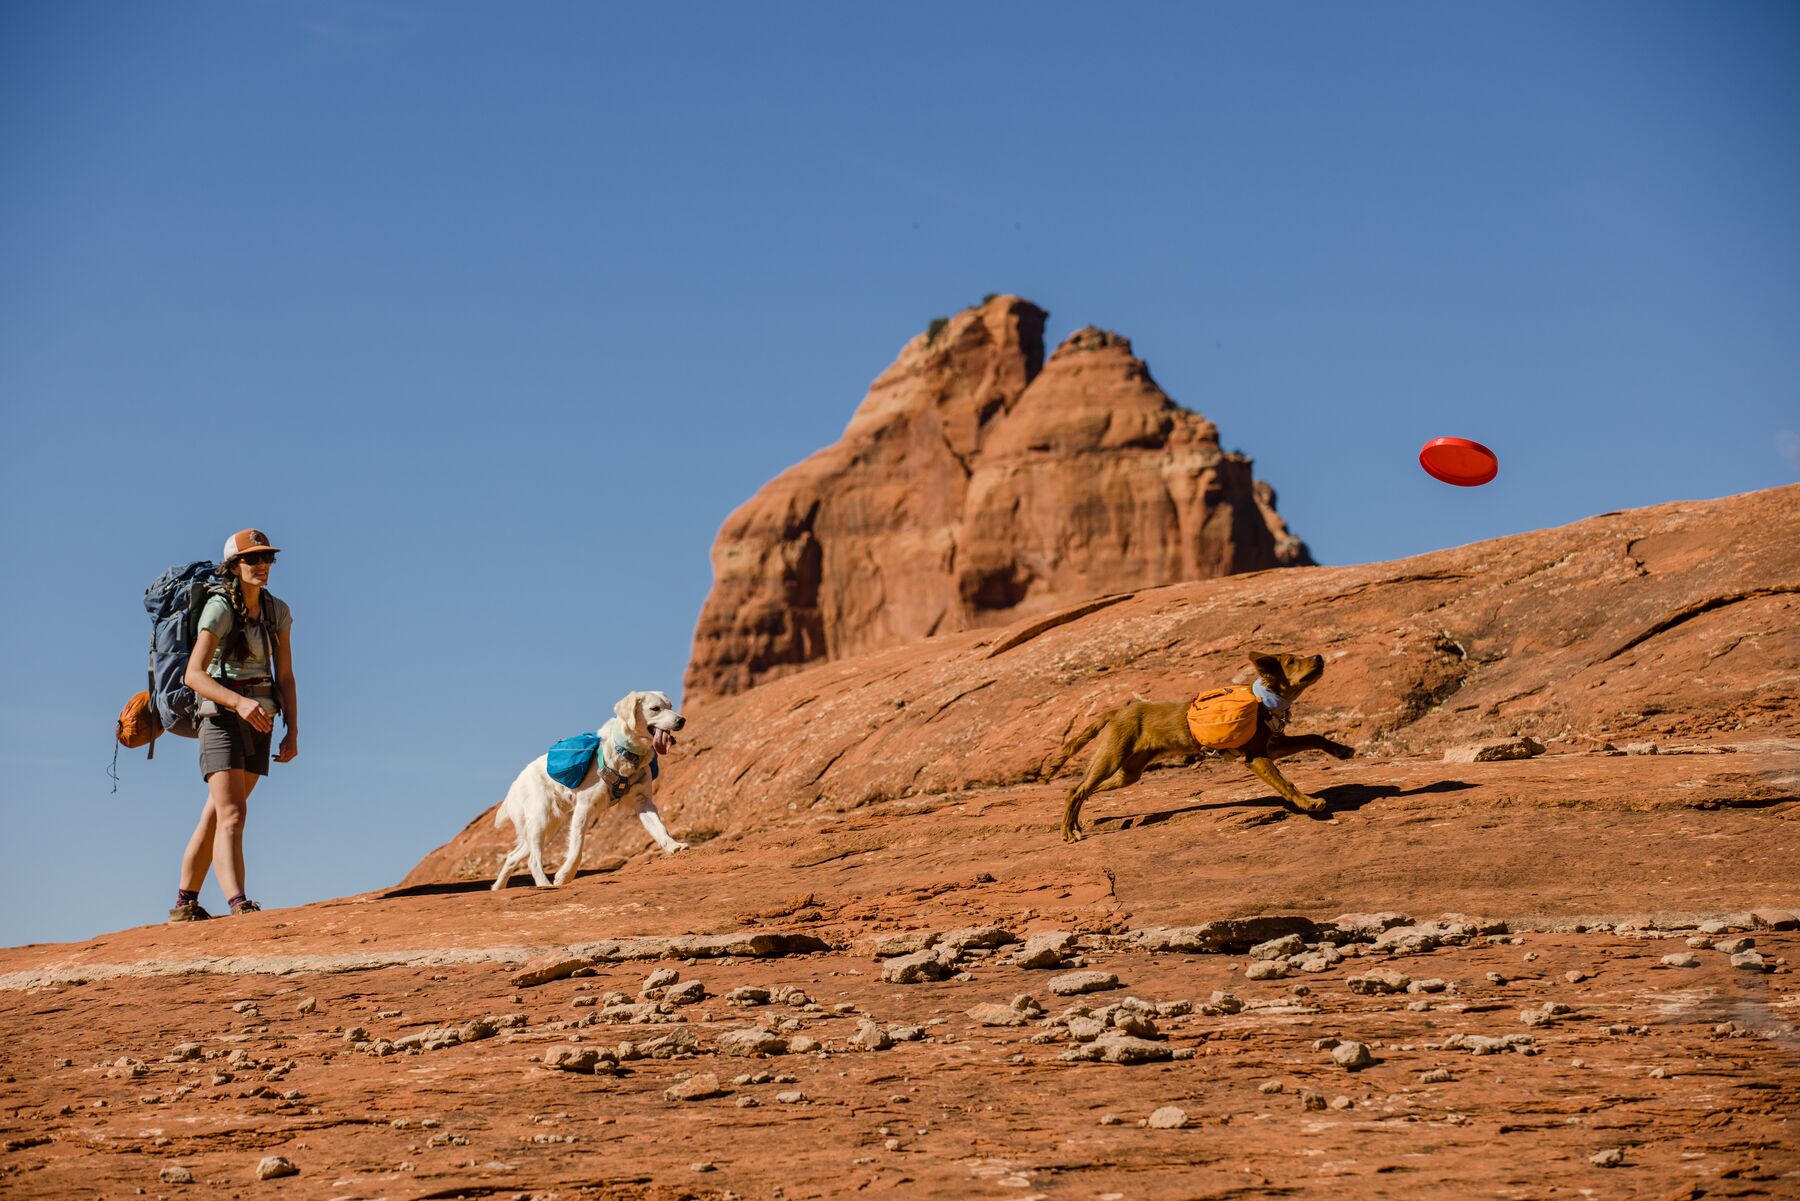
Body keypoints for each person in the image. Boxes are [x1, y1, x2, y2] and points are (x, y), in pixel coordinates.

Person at [168, 529, 297, 922]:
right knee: (233, 813)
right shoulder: (220, 608)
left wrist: (293, 728)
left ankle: (184, 902)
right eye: (252, 559)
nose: (262, 566)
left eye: (267, 558)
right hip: (222, 717)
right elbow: (194, 674)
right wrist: (238, 703)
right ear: (233, 566)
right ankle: (238, 901)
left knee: (218, 813)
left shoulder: (278, 611)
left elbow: (286, 675)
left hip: (262, 719)